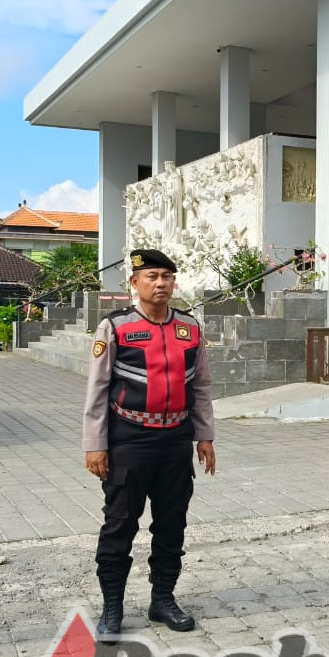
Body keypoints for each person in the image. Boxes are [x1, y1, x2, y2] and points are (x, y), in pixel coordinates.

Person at [83, 249, 216, 636]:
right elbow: (97, 389)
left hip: (176, 438)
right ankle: (112, 609)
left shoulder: (189, 328)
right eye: (152, 276)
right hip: (129, 438)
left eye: (167, 277)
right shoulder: (116, 327)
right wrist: (95, 444)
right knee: (120, 525)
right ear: (134, 283)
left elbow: (202, 386)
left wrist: (205, 435)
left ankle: (163, 600)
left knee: (172, 523)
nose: (160, 283)